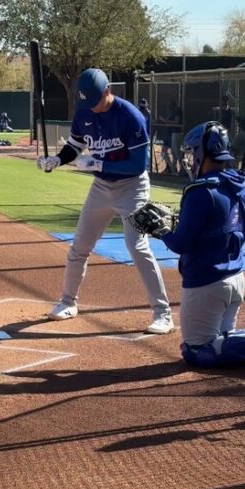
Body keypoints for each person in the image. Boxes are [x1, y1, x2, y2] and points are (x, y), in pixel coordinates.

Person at [37, 68, 173, 334]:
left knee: (137, 247)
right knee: (79, 246)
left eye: (95, 101)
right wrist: (57, 159)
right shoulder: (84, 112)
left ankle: (163, 314)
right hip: (101, 188)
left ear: (107, 91)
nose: (92, 107)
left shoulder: (130, 116)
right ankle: (68, 302)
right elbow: (75, 146)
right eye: (87, 102)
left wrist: (98, 163)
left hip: (132, 188)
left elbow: (137, 165)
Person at [149, 121, 245, 368]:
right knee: (222, 342)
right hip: (236, 278)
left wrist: (162, 231)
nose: (190, 159)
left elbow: (180, 244)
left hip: (206, 284)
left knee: (197, 351)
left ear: (202, 153)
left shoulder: (199, 191)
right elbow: (237, 232)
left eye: (192, 152)